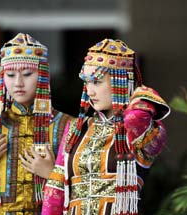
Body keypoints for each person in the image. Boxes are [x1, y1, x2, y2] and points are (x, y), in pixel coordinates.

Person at [42, 39, 170, 215]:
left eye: (97, 82)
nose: (90, 91)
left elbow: (135, 118)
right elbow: (55, 191)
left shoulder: (144, 131)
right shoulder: (76, 129)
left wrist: (133, 90)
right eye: (87, 82)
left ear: (121, 81)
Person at [0, 33, 72, 214]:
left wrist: (52, 174)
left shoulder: (67, 127)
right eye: (10, 75)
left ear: (43, 74)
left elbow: (85, 193)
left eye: (27, 74)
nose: (18, 83)